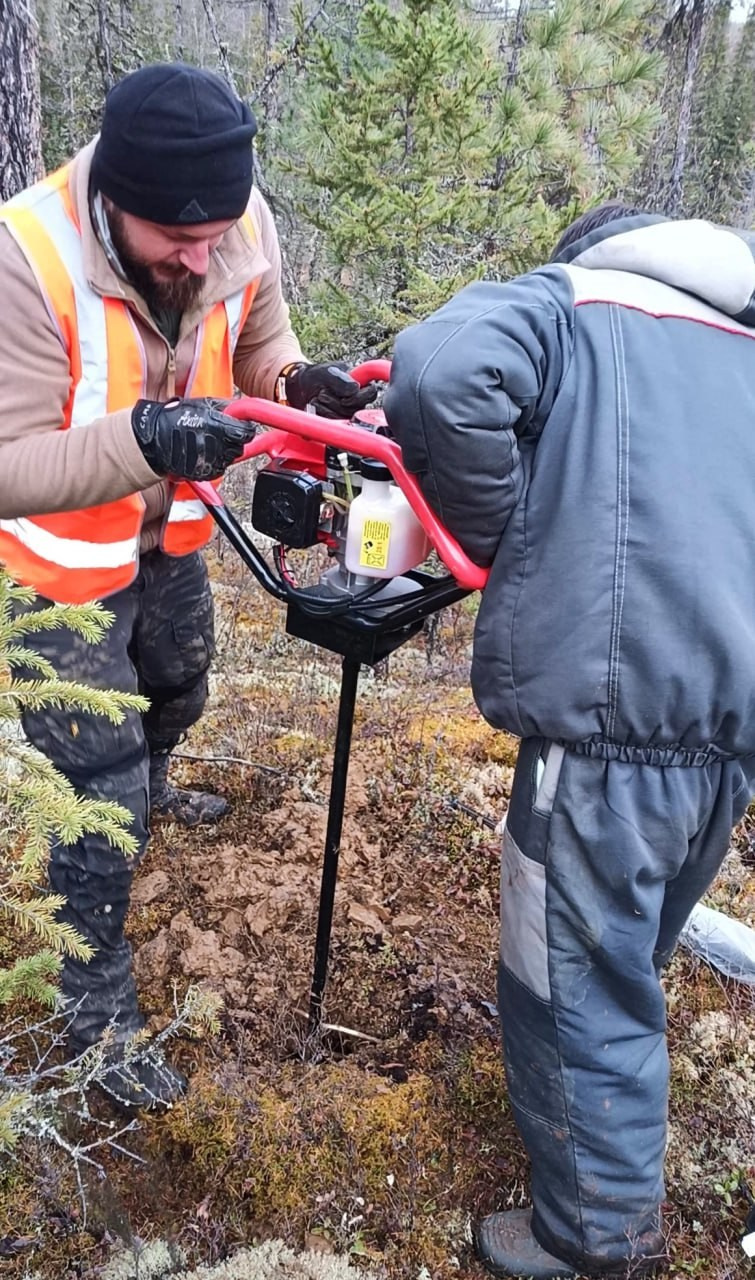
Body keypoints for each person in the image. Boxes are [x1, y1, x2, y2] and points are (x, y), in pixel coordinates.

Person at [383, 203, 755, 1278]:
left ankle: (594, 1241)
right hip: (721, 729)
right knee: (627, 951)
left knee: (573, 985)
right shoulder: (736, 341)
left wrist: (511, 537)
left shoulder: (572, 304)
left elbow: (442, 373)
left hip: (606, 727)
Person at [0, 61, 375, 1111]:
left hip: (172, 538)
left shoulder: (230, 219)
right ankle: (94, 1015)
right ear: (116, 202)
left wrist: (298, 382)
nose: (202, 255)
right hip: (58, 568)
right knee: (99, 785)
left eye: (215, 235)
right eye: (178, 240)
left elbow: (262, 341)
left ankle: (151, 780)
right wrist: (148, 437)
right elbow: (6, 460)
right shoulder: (27, 255)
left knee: (181, 686)